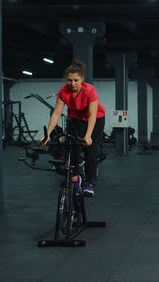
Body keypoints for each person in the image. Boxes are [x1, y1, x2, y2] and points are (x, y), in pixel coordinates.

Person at [40, 59, 106, 197]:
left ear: (82, 78)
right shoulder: (63, 91)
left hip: (96, 119)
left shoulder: (90, 90)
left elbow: (92, 115)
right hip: (77, 119)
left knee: (89, 147)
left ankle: (88, 183)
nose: (72, 84)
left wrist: (88, 136)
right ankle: (75, 178)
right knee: (72, 145)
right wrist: (47, 134)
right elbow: (57, 113)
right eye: (69, 80)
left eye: (76, 80)